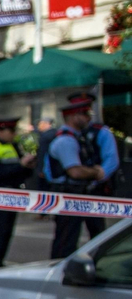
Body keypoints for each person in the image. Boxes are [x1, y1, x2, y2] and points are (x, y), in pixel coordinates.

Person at [44, 93, 121, 258]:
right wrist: (96, 172)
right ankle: (58, 271)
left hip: (89, 191)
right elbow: (74, 171)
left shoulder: (95, 133)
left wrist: (100, 175)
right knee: (67, 238)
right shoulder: (66, 139)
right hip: (71, 192)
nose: (88, 117)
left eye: (88, 112)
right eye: (84, 113)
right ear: (73, 115)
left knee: (97, 235)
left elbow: (111, 160)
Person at [0, 116, 35, 269]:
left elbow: (19, 171)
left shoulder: (13, 146)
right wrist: (20, 165)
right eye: (11, 130)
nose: (13, 134)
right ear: (0, 131)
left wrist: (27, 166)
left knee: (7, 231)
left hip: (13, 193)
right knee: (0, 231)